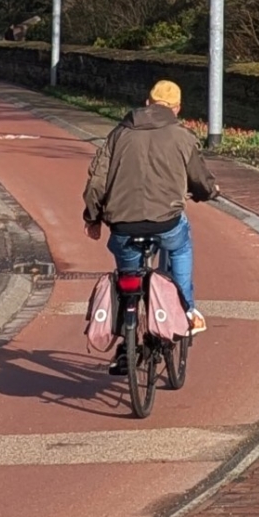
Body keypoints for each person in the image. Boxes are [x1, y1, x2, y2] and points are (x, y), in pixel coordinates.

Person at [81, 78, 214, 371]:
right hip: (166, 222)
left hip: (123, 225)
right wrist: (208, 192)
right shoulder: (183, 136)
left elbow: (97, 182)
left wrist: (92, 218)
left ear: (147, 103)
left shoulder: (119, 133)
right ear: (177, 108)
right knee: (180, 245)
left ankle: (126, 343)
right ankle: (186, 311)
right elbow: (200, 180)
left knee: (127, 278)